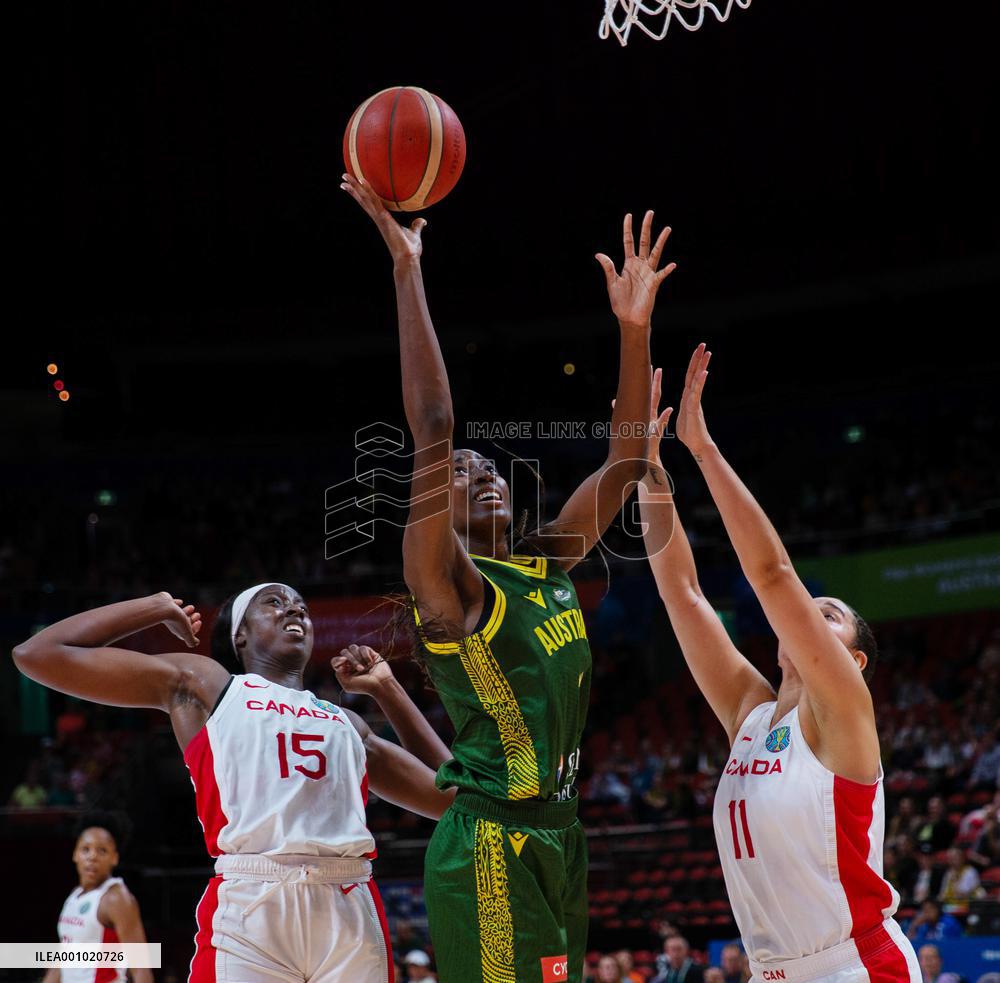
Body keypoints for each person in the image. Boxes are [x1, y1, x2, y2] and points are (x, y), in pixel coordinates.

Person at [342, 170, 675, 983]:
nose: (479, 470)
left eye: (487, 464)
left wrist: (633, 329)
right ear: (437, 508)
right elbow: (431, 425)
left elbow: (628, 458)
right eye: (460, 473)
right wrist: (407, 266)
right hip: (492, 840)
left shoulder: (544, 559)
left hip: (559, 830)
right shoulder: (448, 587)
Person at [639, 348, 921, 982]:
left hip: (857, 967)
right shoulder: (751, 712)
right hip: (772, 972)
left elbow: (772, 575)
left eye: (828, 615)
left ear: (852, 660)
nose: (806, 615)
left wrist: (703, 450)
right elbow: (681, 593)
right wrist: (648, 478)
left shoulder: (845, 712)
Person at [14, 584, 455, 982]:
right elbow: (38, 654)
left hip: (348, 900)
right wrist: (155, 607)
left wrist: (387, 689)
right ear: (239, 635)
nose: (294, 611)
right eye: (274, 603)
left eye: (301, 606)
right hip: (252, 898)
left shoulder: (349, 723)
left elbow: (454, 799)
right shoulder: (209, 685)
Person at [44, 812, 152, 983]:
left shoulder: (116, 898)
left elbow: (140, 969)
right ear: (75, 854)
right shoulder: (74, 896)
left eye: (102, 850)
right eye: (85, 849)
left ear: (114, 858)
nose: (92, 857)